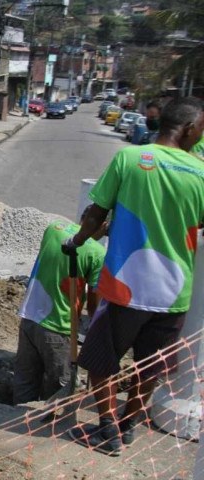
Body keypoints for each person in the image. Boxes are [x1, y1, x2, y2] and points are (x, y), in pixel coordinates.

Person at [63, 97, 204, 456]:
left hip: (126, 287)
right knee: (149, 368)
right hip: (174, 294)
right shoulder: (202, 174)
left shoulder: (129, 159)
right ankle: (128, 428)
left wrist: (77, 241)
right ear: (189, 129)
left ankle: (107, 429)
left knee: (99, 359)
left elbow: (95, 213)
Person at [13, 207, 107, 405]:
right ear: (104, 225)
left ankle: (13, 417)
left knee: (25, 381)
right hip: (59, 326)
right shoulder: (98, 254)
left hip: (29, 317)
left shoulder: (53, 229)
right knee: (60, 388)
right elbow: (93, 303)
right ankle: (46, 428)